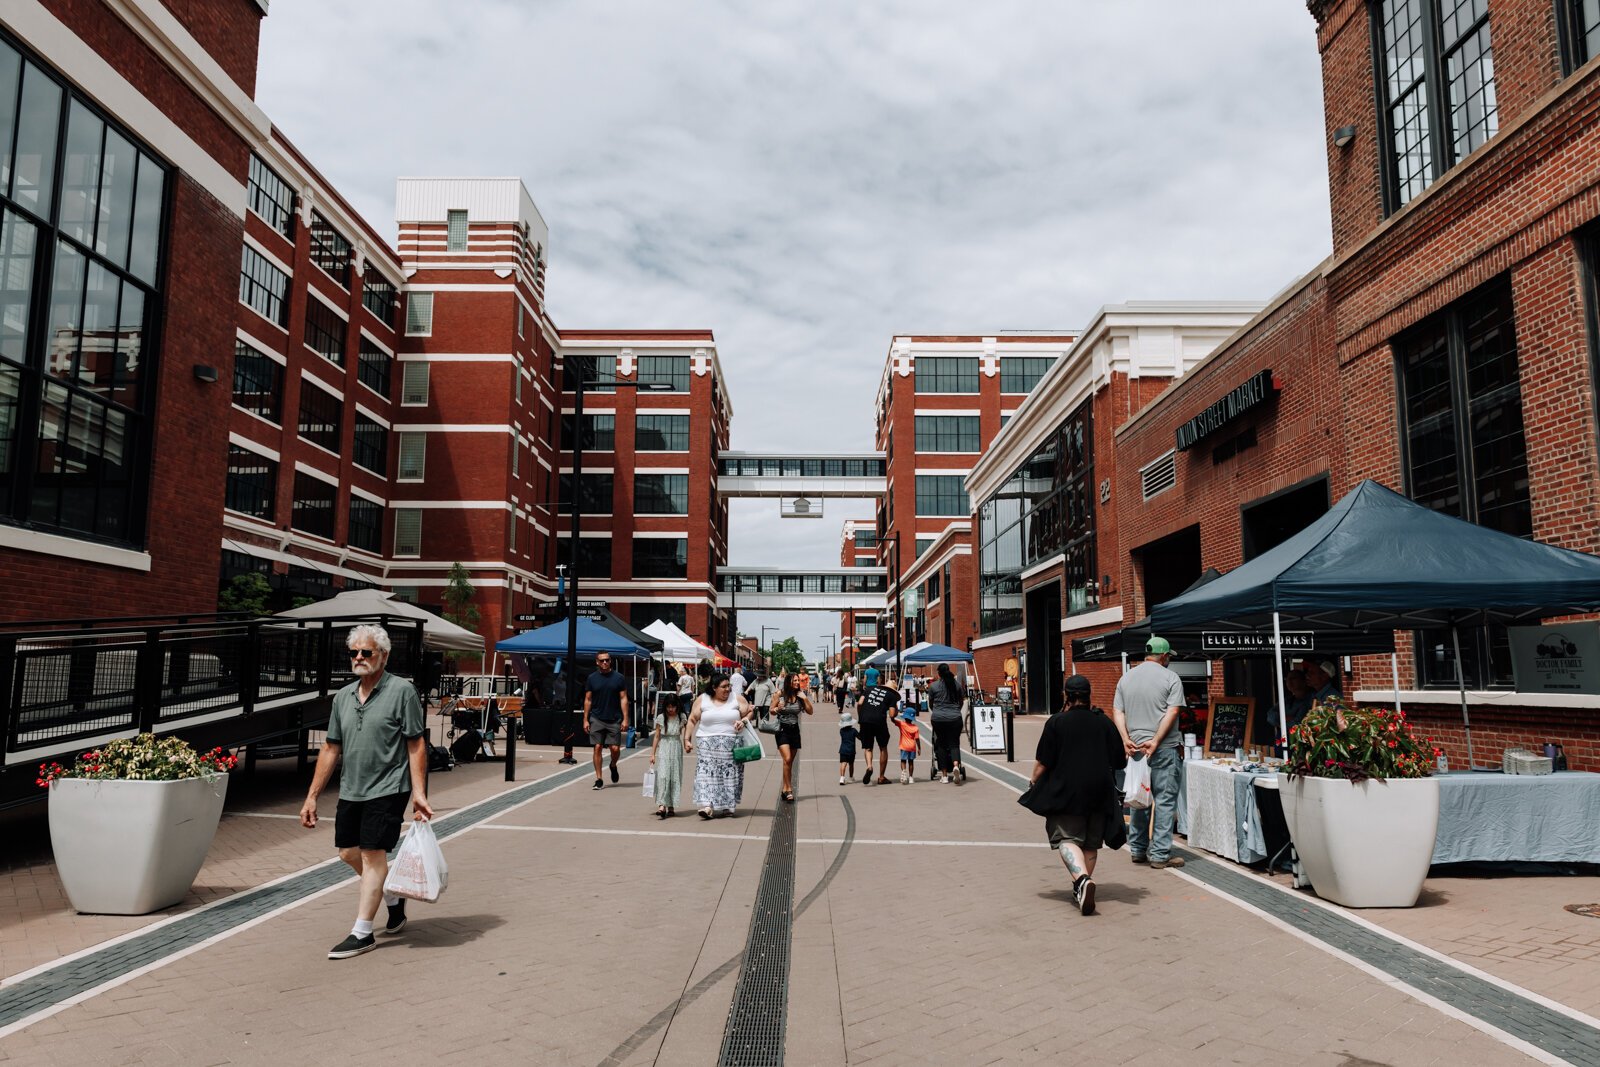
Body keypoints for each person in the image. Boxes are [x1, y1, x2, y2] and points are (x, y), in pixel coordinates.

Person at [300, 624, 433, 960]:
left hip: (389, 788)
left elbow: (415, 743)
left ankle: (362, 932)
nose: (358, 658)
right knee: (347, 852)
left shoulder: (402, 691)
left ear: (383, 656)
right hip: (352, 788)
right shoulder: (343, 697)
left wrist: (419, 792)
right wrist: (312, 795)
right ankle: (391, 896)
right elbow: (331, 748)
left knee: (374, 855)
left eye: (366, 652)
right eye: (354, 652)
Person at [1027, 674, 1126, 915]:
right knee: (1091, 843)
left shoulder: (1057, 722)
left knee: (1066, 838)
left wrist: (1033, 779)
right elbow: (1119, 761)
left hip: (1067, 791)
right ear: (1089, 695)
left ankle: (1081, 879)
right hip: (1100, 791)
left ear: (1066, 696)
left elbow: (1044, 760)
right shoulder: (1104, 722)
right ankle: (1081, 887)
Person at [1112, 636, 1186, 870]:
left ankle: (1137, 849)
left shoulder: (1126, 678)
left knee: (1138, 799)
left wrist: (1125, 739)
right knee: (1164, 801)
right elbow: (1172, 711)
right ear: (1163, 656)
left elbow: (1117, 711)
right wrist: (1155, 740)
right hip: (1164, 748)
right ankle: (1160, 854)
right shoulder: (1171, 678)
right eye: (1168, 657)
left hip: (1135, 749)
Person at [685, 672, 754, 818]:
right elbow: (692, 719)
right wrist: (687, 739)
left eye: (729, 685)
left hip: (731, 745)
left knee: (729, 776)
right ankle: (707, 806)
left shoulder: (736, 698)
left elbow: (749, 712)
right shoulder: (702, 699)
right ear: (714, 688)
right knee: (705, 774)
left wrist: (743, 721)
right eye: (724, 687)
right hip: (706, 744)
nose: (728, 689)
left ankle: (727, 806)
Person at [583, 652, 630, 790]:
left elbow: (623, 698)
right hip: (596, 717)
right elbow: (588, 699)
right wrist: (585, 720)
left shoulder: (619, 678)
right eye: (602, 660)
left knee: (614, 748)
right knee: (597, 746)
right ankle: (599, 778)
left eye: (607, 660)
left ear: (610, 661)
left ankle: (613, 765)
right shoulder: (592, 678)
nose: (605, 663)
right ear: (597, 662)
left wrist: (625, 719)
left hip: (614, 718)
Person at [772, 672, 813, 802]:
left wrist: (805, 698)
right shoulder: (780, 694)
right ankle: (789, 789)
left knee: (788, 763)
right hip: (782, 729)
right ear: (788, 682)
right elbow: (771, 711)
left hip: (795, 730)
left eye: (797, 681)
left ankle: (785, 789)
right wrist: (777, 708)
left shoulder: (800, 696)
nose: (797, 683)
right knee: (788, 758)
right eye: (794, 681)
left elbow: (810, 712)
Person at [856, 674, 900, 785]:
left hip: (865, 720)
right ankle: (881, 777)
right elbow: (891, 714)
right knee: (883, 748)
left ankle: (869, 767)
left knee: (868, 747)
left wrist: (860, 716)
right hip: (879, 721)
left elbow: (860, 703)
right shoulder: (891, 696)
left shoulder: (869, 689)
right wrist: (896, 711)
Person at [928, 663, 966, 785]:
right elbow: (961, 701)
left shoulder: (933, 686)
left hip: (938, 719)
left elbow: (931, 704)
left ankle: (944, 775)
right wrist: (955, 711)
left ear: (939, 673)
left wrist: (938, 712)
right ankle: (955, 765)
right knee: (954, 744)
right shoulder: (957, 685)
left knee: (941, 745)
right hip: (955, 718)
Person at [649, 690, 685, 818]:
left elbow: (685, 733)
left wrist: (687, 743)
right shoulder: (661, 717)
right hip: (664, 747)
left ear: (677, 706)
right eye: (668, 707)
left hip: (676, 746)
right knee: (663, 775)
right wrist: (652, 754)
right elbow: (657, 736)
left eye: (673, 706)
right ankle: (661, 805)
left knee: (674, 776)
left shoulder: (681, 717)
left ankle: (671, 806)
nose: (671, 709)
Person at [895, 707, 922, 783]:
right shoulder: (915, 728)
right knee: (911, 762)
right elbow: (917, 739)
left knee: (903, 760)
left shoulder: (901, 724)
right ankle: (910, 777)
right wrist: (919, 748)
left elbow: (893, 720)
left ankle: (903, 771)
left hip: (904, 746)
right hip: (912, 747)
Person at [838, 708, 858, 785]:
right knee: (851, 764)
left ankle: (842, 777)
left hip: (842, 749)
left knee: (843, 763)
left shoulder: (841, 731)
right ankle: (851, 777)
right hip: (851, 750)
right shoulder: (853, 730)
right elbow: (859, 737)